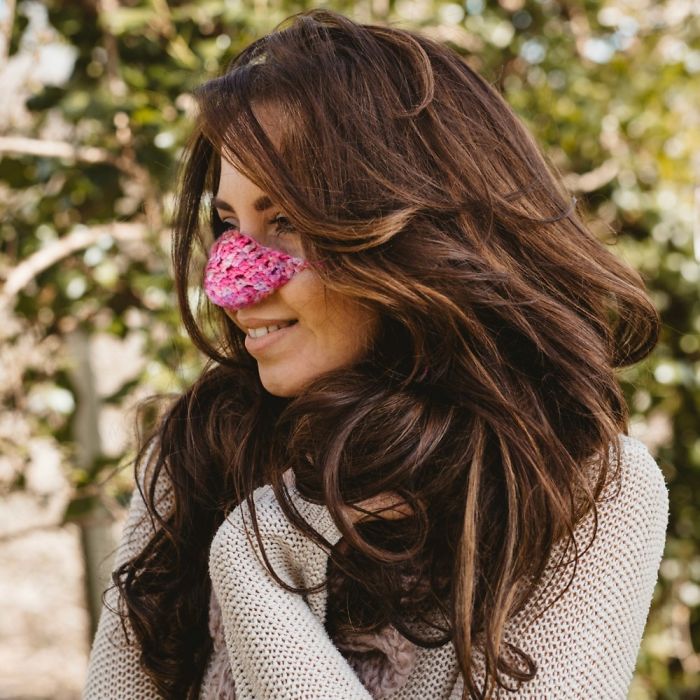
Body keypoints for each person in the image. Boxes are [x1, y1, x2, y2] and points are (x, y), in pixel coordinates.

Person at [83, 8, 669, 699]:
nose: (228, 284)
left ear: (412, 234)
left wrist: (259, 559)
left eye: (286, 220)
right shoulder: (200, 448)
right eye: (228, 223)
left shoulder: (585, 489)